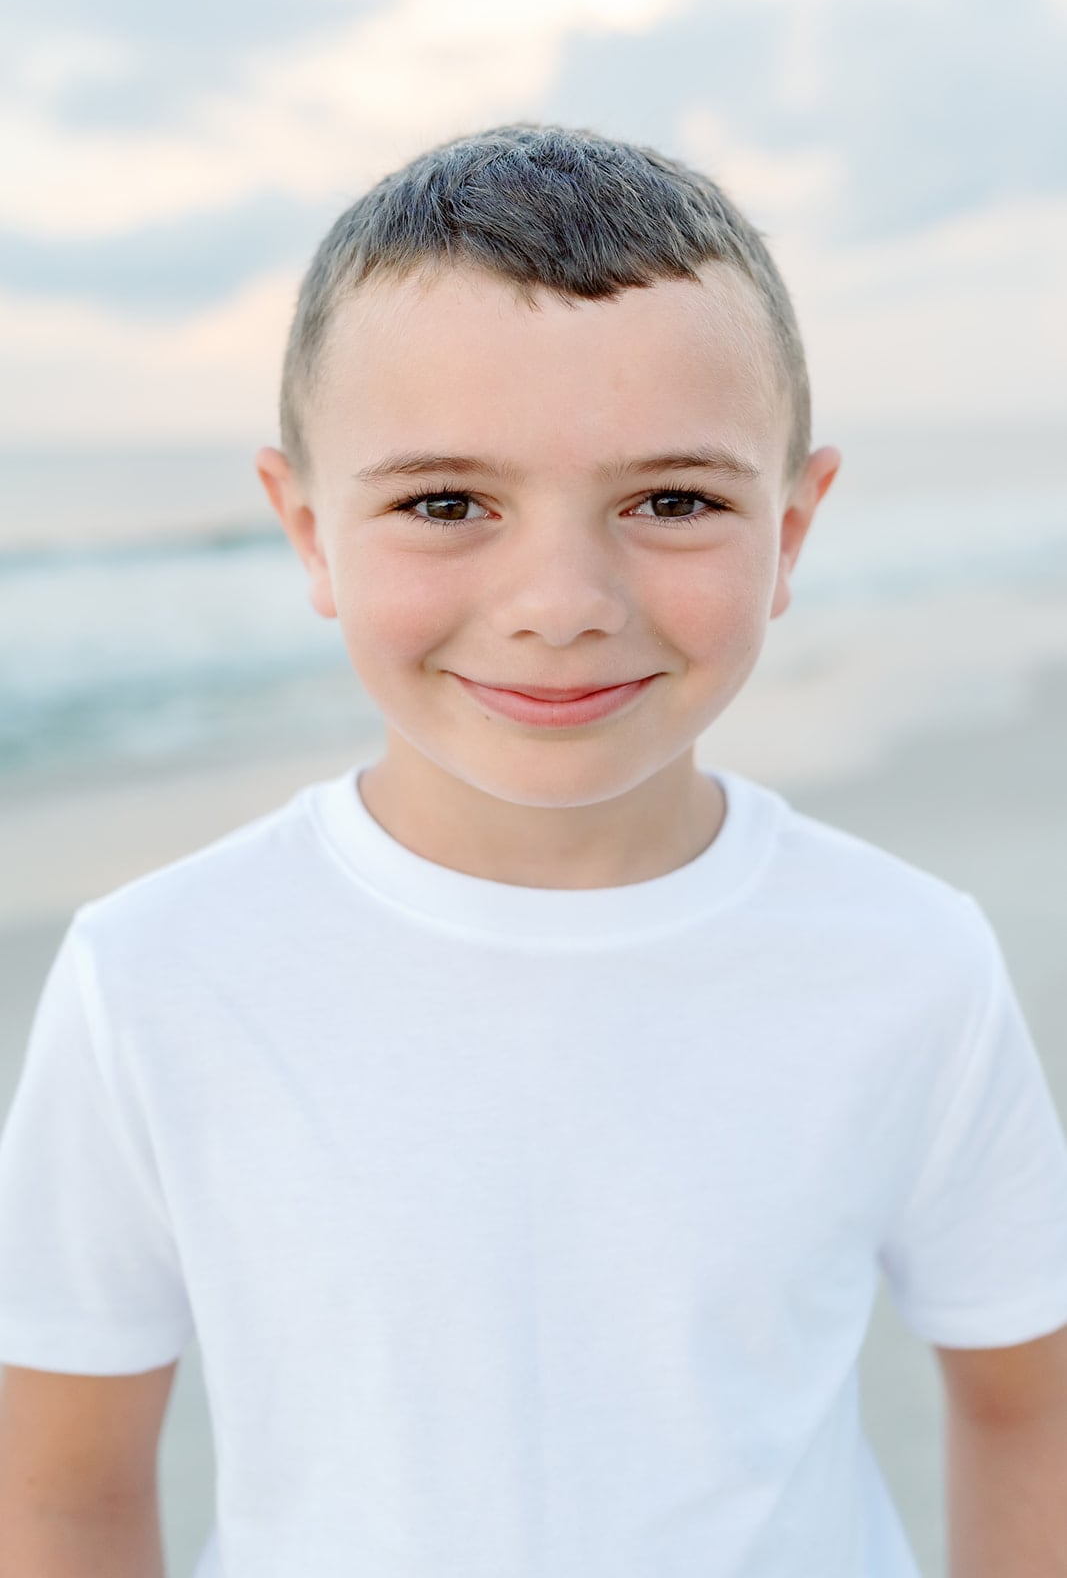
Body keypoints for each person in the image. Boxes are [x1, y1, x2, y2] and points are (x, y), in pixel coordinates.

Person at [0, 124, 1065, 1578]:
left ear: (796, 527)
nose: (561, 600)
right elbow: (59, 1487)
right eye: (447, 503)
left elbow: (1028, 1407)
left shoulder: (910, 961)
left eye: (673, 501)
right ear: (308, 530)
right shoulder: (156, 975)